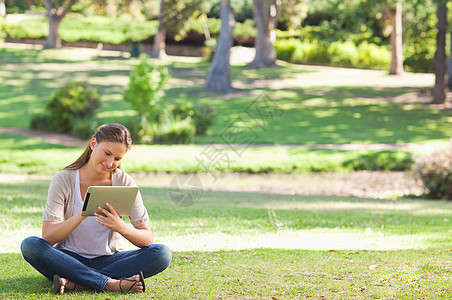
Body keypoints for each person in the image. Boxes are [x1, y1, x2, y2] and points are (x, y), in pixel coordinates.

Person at [20, 123, 172, 294]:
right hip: (68, 259)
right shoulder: (63, 179)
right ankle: (110, 283)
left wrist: (120, 226)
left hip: (110, 259)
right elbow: (48, 237)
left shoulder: (124, 183)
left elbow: (147, 239)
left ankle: (78, 282)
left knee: (162, 253)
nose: (110, 162)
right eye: (107, 153)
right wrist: (83, 214)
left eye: (117, 158)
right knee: (30, 245)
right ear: (93, 144)